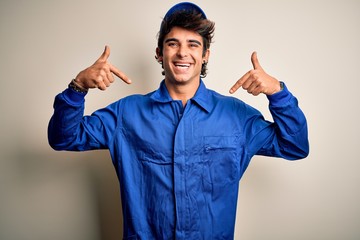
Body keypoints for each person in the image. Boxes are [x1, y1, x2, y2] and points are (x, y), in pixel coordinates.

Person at [48, 2, 309, 239]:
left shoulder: (236, 117)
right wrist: (78, 86)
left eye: (193, 44)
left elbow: (295, 146)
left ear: (205, 55)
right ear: (159, 53)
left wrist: (278, 92)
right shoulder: (126, 114)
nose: (183, 52)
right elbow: (63, 138)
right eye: (173, 43)